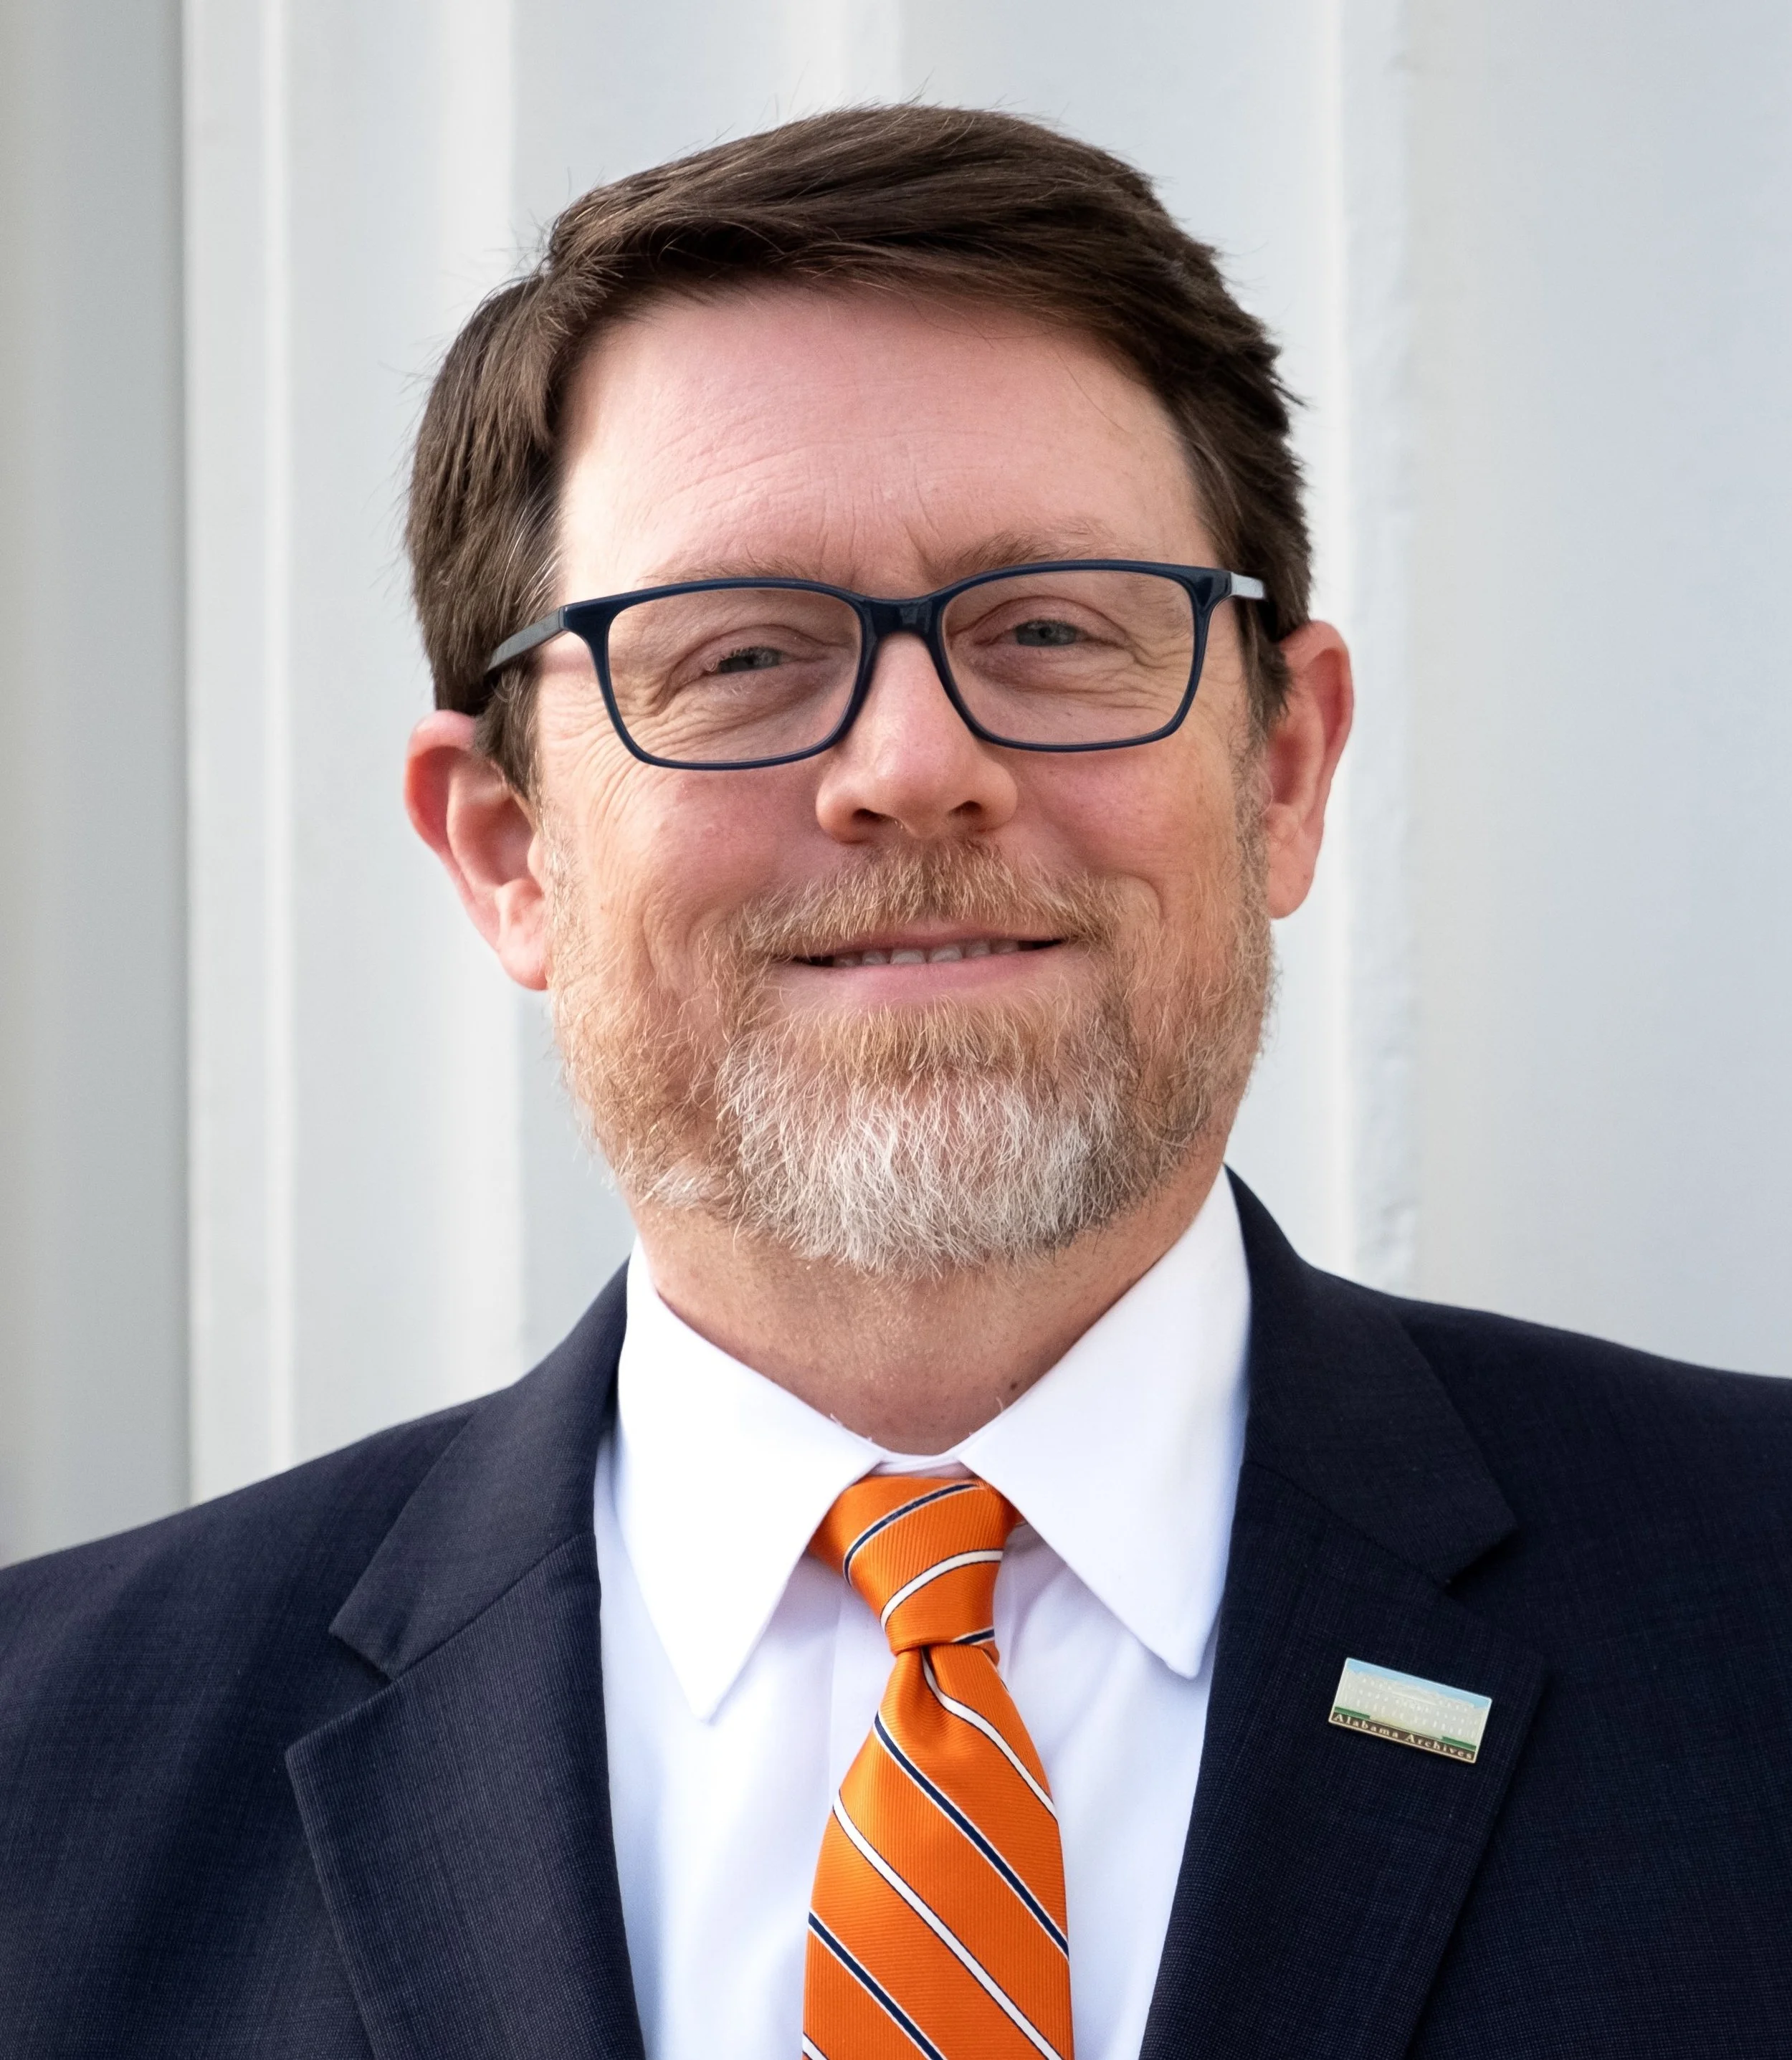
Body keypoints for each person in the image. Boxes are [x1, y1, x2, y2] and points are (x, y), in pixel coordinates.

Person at [1, 103, 1788, 2060]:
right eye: (740, 657)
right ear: (509, 851)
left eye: (1052, 628)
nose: (916, 767)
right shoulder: (45, 1772)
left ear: (1281, 773)